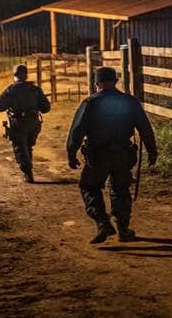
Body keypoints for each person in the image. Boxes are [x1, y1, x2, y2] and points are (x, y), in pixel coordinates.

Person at [66, 66, 157, 244]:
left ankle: (102, 223)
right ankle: (123, 229)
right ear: (115, 82)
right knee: (120, 189)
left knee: (89, 186)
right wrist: (152, 151)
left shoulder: (90, 103)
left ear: (97, 84)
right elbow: (145, 128)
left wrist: (71, 152)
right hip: (123, 154)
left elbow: (77, 130)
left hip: (97, 156)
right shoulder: (129, 102)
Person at [0, 64, 51, 183]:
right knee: (28, 146)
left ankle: (27, 172)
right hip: (34, 123)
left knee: (20, 147)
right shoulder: (35, 89)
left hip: (18, 123)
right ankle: (28, 169)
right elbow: (46, 108)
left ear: (14, 76)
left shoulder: (11, 90)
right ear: (26, 75)